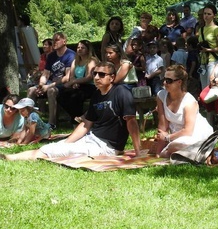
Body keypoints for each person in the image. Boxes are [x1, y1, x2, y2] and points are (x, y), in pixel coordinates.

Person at [3, 61, 141, 160]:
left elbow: (131, 122)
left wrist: (138, 152)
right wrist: (68, 141)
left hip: (107, 147)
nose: (97, 77)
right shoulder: (97, 94)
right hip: (92, 139)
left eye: (102, 74)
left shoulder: (122, 92)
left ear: (112, 77)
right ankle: (12, 157)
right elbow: (86, 124)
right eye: (95, 74)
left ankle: (11, 158)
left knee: (51, 151)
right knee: (59, 146)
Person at [153, 65, 214, 158]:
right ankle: (198, 154)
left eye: (168, 81)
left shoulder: (189, 101)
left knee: (173, 147)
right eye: (164, 80)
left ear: (179, 82)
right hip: (178, 137)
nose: (165, 83)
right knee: (164, 153)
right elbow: (162, 126)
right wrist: (158, 152)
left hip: (196, 133)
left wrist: (167, 137)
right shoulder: (161, 96)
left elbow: (188, 131)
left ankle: (201, 149)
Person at [27, 32, 76, 128]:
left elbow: (66, 77)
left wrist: (48, 86)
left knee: (51, 91)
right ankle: (30, 121)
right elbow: (45, 74)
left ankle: (51, 124)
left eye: (57, 40)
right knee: (31, 90)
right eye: (53, 40)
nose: (54, 42)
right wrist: (41, 85)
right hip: (50, 83)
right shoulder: (51, 56)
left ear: (64, 41)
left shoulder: (70, 55)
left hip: (63, 85)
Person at [58, 40, 98, 123]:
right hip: (77, 85)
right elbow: (71, 76)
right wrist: (74, 83)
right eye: (78, 47)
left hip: (90, 86)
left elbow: (89, 77)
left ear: (88, 50)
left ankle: (76, 120)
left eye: (82, 48)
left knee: (75, 97)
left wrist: (74, 82)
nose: (79, 49)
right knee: (61, 93)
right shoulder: (75, 61)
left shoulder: (92, 61)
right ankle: (77, 117)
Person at [198, 4, 218, 89]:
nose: (206, 16)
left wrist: (209, 49)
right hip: (202, 61)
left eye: (209, 14)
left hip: (213, 61)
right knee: (203, 87)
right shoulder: (201, 29)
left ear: (214, 16)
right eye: (205, 13)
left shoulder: (216, 29)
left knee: (210, 86)